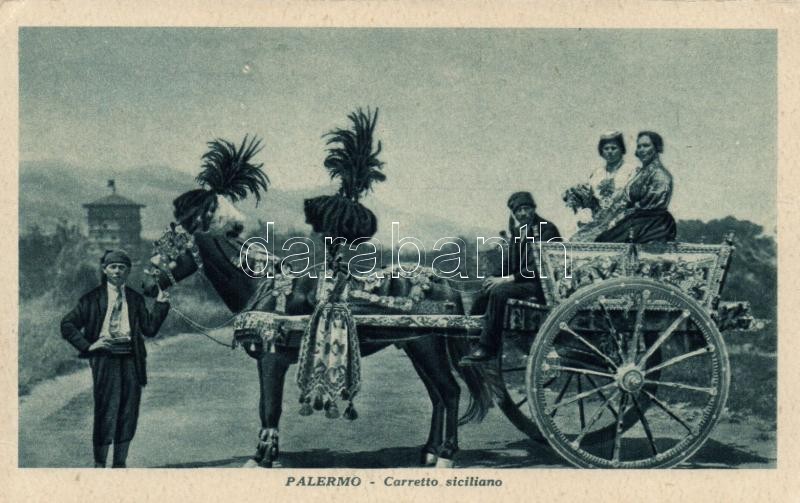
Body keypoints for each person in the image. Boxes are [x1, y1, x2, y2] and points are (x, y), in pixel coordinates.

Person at [61, 250, 170, 468]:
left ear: (128, 271)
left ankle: (120, 464)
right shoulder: (91, 299)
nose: (117, 271)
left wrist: (160, 304)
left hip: (131, 360)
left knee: (129, 411)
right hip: (105, 359)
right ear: (105, 270)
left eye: (122, 267)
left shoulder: (135, 299)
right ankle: (99, 464)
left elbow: (149, 329)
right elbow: (67, 324)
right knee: (106, 410)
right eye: (113, 267)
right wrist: (89, 345)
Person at [460, 191, 561, 364]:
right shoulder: (519, 231)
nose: (522, 214)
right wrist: (492, 277)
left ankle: (488, 347)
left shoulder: (546, 229)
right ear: (513, 213)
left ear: (533, 208)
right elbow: (508, 262)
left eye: (526, 208)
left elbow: (541, 267)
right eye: (518, 211)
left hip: (540, 284)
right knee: (486, 289)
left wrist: (507, 279)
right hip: (521, 281)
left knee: (499, 292)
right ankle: (472, 338)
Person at [594, 131, 676, 243]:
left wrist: (623, 214)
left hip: (653, 224)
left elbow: (651, 205)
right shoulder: (642, 172)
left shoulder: (660, 174)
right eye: (639, 146)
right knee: (601, 238)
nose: (641, 150)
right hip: (638, 220)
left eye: (646, 146)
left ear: (656, 148)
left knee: (604, 241)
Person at [568, 131, 637, 242]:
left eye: (614, 148)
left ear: (621, 149)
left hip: (622, 221)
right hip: (598, 221)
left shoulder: (631, 171)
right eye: (606, 148)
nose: (610, 152)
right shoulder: (596, 174)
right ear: (601, 151)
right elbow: (589, 201)